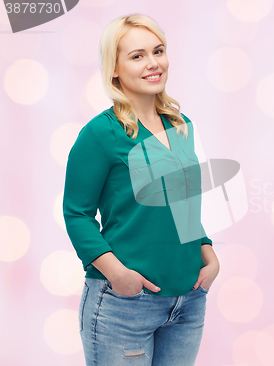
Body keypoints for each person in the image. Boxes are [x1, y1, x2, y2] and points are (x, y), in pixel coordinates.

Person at [62, 13, 219, 366]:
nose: (153, 63)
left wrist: (206, 249)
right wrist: (118, 275)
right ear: (114, 68)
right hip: (125, 304)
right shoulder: (100, 134)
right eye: (137, 56)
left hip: (188, 302)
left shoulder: (181, 126)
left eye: (158, 51)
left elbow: (180, 205)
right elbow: (77, 214)